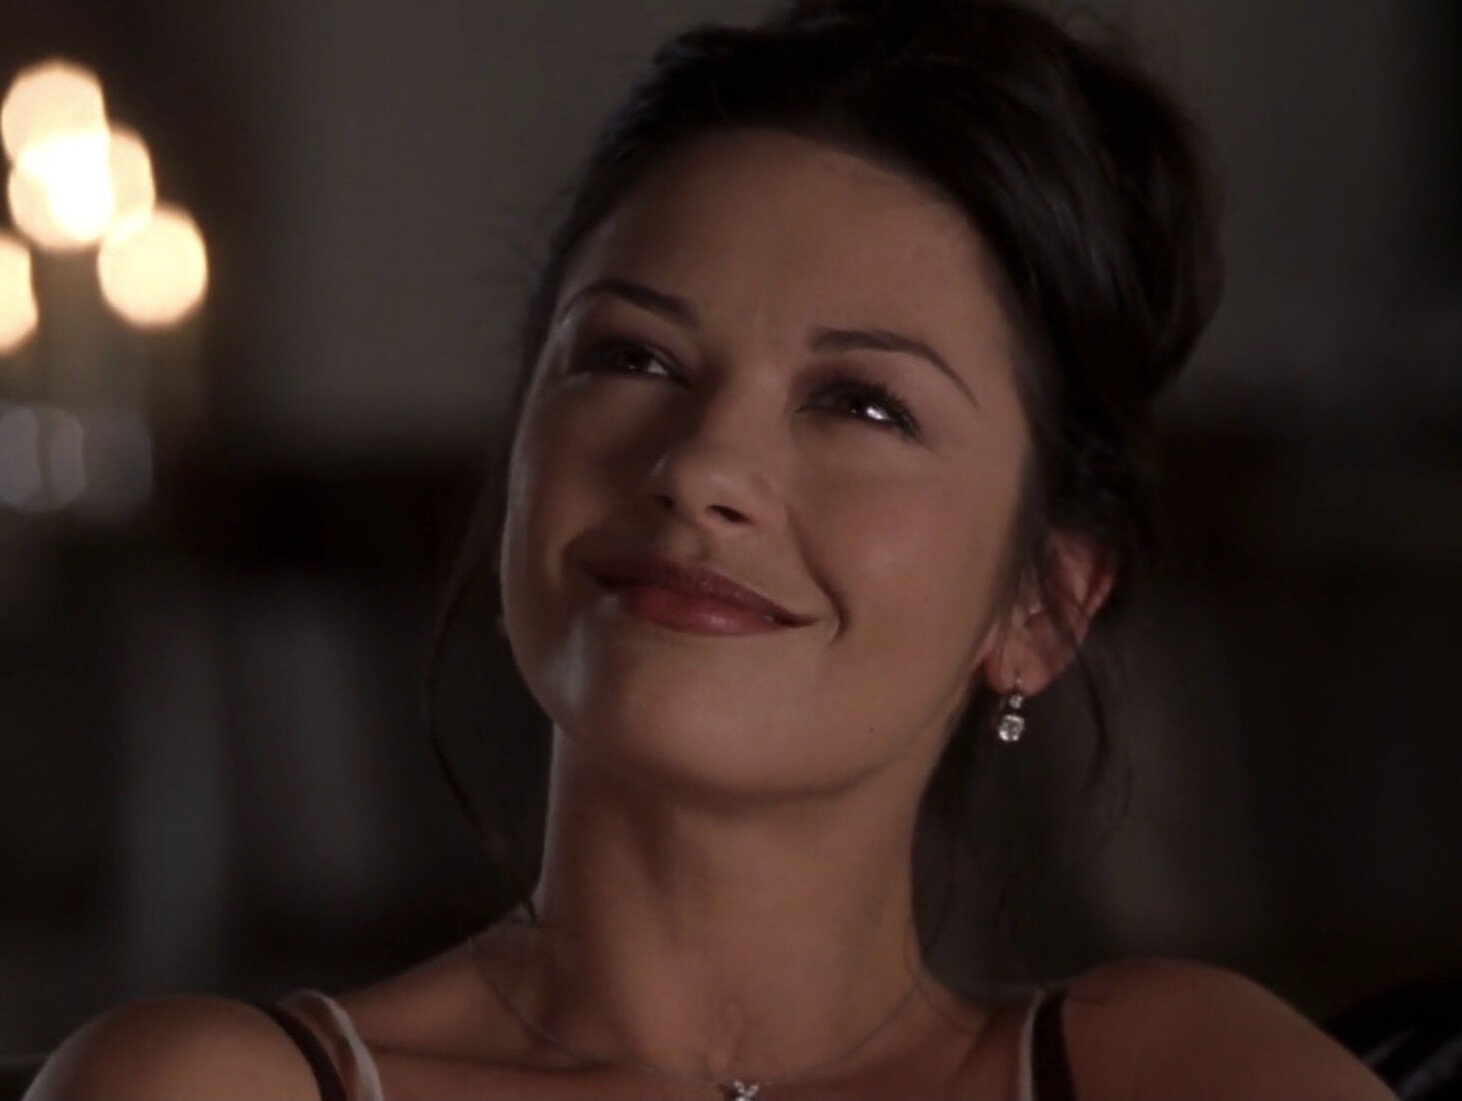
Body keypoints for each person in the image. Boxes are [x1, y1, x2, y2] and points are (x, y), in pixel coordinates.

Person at [28, 1, 1395, 1098]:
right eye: (632, 357)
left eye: (862, 403)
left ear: (1041, 604)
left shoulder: (1172, 1069)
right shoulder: (209, 1087)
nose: (700, 469)